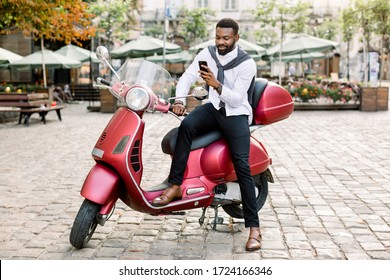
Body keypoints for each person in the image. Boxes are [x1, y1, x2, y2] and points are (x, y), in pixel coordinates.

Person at [152, 18, 261, 251]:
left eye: (226, 38)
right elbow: (188, 77)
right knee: (186, 127)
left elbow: (237, 98)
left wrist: (217, 84)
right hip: (214, 108)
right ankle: (175, 185)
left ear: (236, 38)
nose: (221, 42)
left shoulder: (246, 63)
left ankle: (254, 228)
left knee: (242, 165)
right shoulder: (208, 53)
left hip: (236, 113)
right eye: (218, 37)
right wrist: (180, 100)